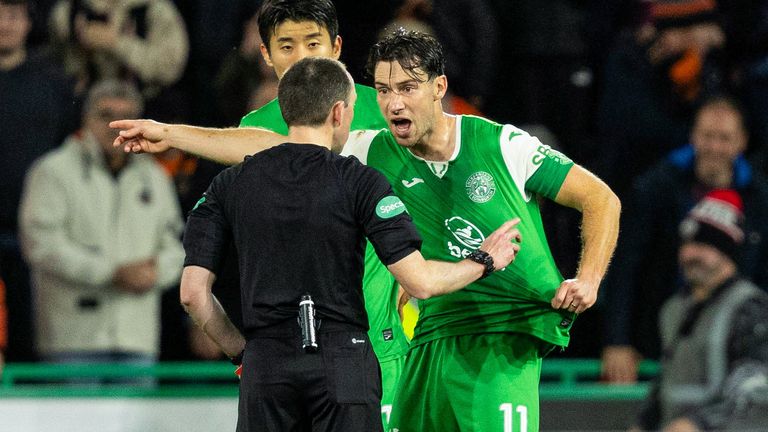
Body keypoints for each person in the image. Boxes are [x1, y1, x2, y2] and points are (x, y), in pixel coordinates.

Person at [179, 56, 522, 432]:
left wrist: (244, 353)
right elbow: (420, 282)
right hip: (343, 363)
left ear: (285, 110)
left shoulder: (228, 186)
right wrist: (483, 260)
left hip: (267, 365)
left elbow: (193, 294)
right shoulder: (361, 182)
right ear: (339, 113)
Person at [226, 1, 410, 427]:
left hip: (388, 338)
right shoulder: (253, 128)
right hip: (292, 355)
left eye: (313, 43)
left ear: (337, 47)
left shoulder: (384, 106)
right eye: (286, 46)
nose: (302, 57)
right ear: (267, 55)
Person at [19, 79, 185, 369]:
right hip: (71, 340)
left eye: (127, 117)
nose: (117, 126)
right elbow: (41, 244)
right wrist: (111, 272)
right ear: (86, 119)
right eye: (106, 116)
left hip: (137, 339)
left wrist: (154, 273)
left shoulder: (155, 178)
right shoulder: (53, 171)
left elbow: (178, 247)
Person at [601, 95, 768, 384]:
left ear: (741, 141)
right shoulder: (655, 188)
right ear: (693, 136)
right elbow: (626, 267)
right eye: (707, 136)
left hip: (737, 341)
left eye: (724, 138)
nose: (714, 147)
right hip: (660, 338)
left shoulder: (760, 198)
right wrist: (618, 341)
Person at [630, 189, 768, 431]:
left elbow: (755, 389)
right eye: (687, 244)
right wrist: (643, 423)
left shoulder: (750, 307)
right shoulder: (674, 308)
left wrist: (700, 424)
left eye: (704, 245)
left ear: (727, 252)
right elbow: (668, 380)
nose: (690, 254)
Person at [1, 0, 78, 363]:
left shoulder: (53, 82)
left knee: (33, 326)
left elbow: (68, 150)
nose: (5, 23)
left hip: (39, 224)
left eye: (14, 15)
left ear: (29, 23)